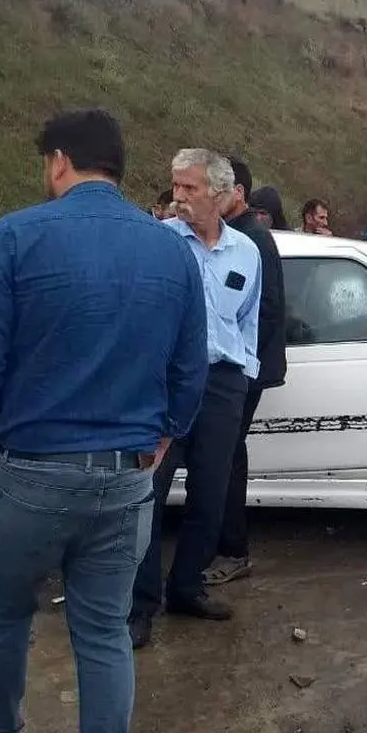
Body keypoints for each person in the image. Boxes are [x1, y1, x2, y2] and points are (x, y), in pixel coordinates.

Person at [0, 109, 208, 733]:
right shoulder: (171, 250)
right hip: (124, 481)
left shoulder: (15, 237)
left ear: (60, 161)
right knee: (103, 632)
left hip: (25, 472)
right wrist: (166, 433)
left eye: (45, 164)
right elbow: (190, 368)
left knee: (3, 614)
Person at [130, 149, 263, 648]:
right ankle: (140, 605)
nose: (178, 197)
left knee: (211, 494)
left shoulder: (246, 252)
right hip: (165, 385)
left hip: (224, 385)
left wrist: (245, 369)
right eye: (176, 187)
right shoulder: (160, 242)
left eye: (189, 188)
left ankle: (186, 587)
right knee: (148, 493)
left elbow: (248, 317)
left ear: (221, 194)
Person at [205, 156, 289, 589]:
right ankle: (218, 542)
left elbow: (268, 309)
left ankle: (233, 550)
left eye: (217, 189)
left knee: (228, 458)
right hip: (231, 369)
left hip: (241, 371)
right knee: (221, 457)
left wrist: (241, 364)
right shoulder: (228, 234)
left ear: (238, 193)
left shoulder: (252, 240)